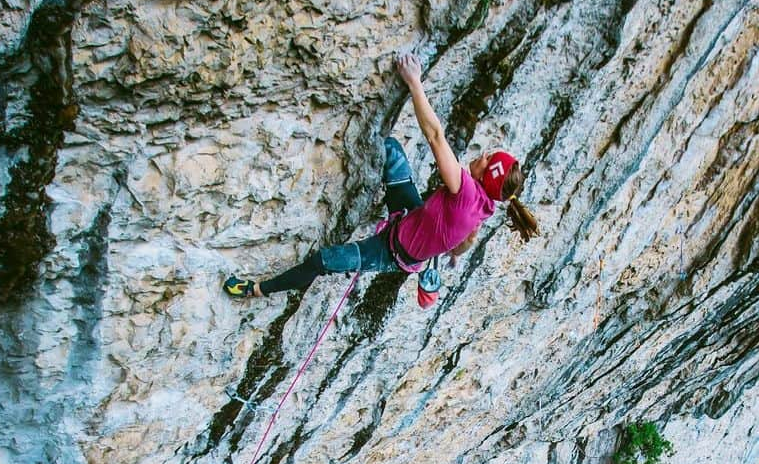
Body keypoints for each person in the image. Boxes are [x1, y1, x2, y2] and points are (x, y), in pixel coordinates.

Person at [223, 52, 537, 310]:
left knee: (325, 260)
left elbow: (435, 136)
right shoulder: (483, 208)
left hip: (390, 252)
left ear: (486, 174)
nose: (482, 156)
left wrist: (414, 82)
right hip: (411, 217)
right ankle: (390, 208)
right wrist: (454, 252)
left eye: (487, 158)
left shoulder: (466, 190)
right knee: (391, 151)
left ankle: (258, 289)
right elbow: (464, 243)